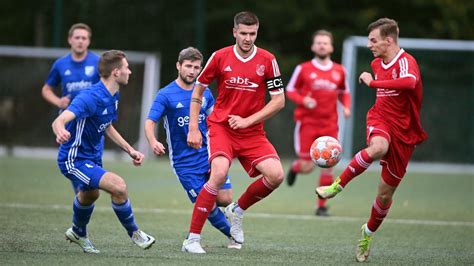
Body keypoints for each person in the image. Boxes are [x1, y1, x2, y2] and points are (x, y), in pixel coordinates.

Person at [315, 18, 427, 262]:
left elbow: (410, 83)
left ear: (389, 40)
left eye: (373, 40)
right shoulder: (377, 62)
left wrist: (373, 82)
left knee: (385, 195)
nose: (369, 45)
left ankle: (367, 233)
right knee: (378, 147)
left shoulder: (407, 62)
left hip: (405, 133)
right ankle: (337, 185)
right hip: (380, 119)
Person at [183, 11, 285, 254]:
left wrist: (248, 120)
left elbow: (279, 101)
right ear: (235, 32)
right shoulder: (219, 57)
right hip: (221, 127)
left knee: (276, 175)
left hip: (252, 132)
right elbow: (198, 92)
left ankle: (237, 210)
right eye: (243, 33)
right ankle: (192, 239)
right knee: (218, 174)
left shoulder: (267, 60)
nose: (248, 38)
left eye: (252, 33)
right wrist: (194, 127)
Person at [52, 50, 155, 253]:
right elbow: (60, 120)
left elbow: (107, 126)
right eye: (126, 67)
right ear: (116, 72)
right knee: (119, 186)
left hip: (92, 157)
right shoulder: (89, 98)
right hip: (74, 159)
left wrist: (130, 150)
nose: (130, 71)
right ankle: (135, 233)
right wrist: (61, 131)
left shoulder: (113, 95)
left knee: (90, 195)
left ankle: (77, 232)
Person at [144, 47, 240, 250]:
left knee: (226, 198)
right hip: (184, 163)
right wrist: (153, 141)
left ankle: (225, 233)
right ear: (179, 66)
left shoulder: (204, 92)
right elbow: (150, 121)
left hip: (209, 155)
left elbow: (216, 118)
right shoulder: (166, 94)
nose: (192, 71)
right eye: (188, 66)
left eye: (197, 67)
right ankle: (231, 236)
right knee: (209, 205)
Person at [285, 29, 351, 216]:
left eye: (325, 42)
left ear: (331, 47)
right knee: (307, 166)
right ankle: (296, 168)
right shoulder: (303, 69)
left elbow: (344, 93)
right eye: (319, 42)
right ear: (313, 46)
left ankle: (321, 206)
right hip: (307, 123)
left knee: (328, 165)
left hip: (329, 124)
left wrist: (346, 107)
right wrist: (304, 100)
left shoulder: (339, 71)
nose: (322, 45)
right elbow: (290, 90)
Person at [42, 23, 100, 110]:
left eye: (84, 38)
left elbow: (108, 87)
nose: (80, 41)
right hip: (68, 117)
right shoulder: (60, 64)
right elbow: (46, 90)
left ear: (89, 41)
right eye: (77, 38)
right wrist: (58, 102)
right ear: (70, 40)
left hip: (92, 115)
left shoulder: (99, 62)